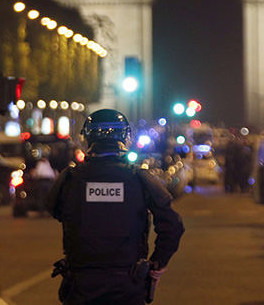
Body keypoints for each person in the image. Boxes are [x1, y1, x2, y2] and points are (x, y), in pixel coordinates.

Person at [46, 109, 185, 305]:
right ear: (125, 137)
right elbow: (173, 224)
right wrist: (157, 263)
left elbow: (54, 209)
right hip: (127, 282)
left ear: (86, 137)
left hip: (81, 283)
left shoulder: (70, 178)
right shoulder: (139, 177)